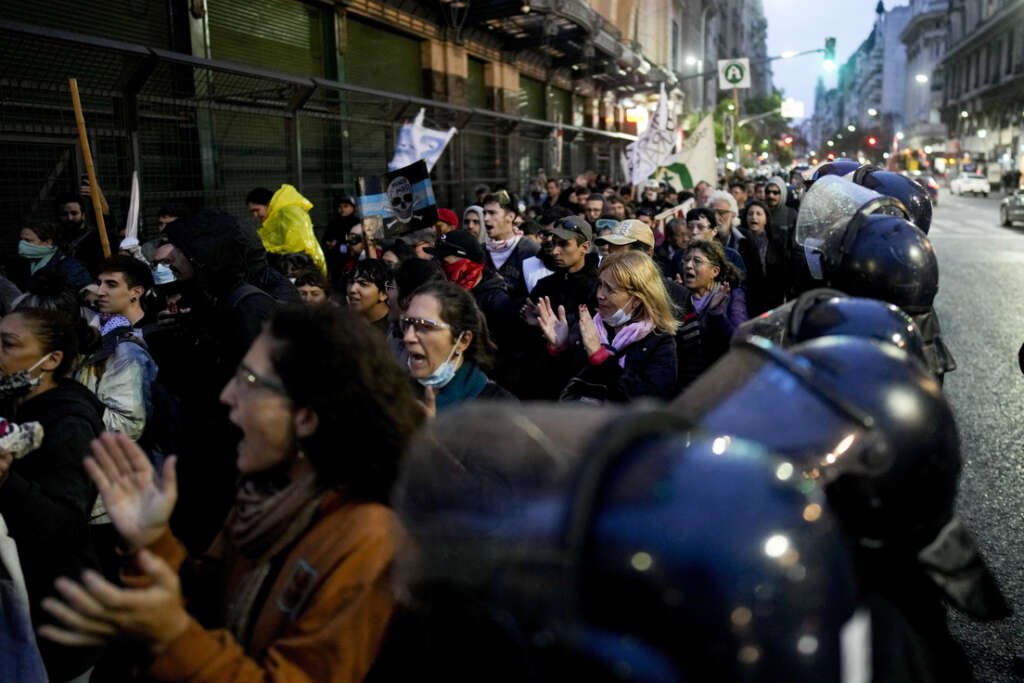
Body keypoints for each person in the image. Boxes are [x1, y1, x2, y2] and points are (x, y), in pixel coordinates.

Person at [40, 305, 425, 681]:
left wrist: (173, 638)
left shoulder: (369, 540)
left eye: (250, 382)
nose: (228, 395)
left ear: (306, 417)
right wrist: (152, 540)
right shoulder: (267, 494)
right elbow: (209, 598)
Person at [0, 307, 105, 682]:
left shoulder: (69, 422)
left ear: (52, 360)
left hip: (55, 619)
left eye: (7, 345)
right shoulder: (14, 404)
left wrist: (6, 481)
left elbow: (64, 526)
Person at [538, 250, 678, 402]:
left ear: (637, 299)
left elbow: (652, 400)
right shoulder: (586, 328)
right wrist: (559, 349)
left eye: (610, 289)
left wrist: (601, 358)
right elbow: (552, 390)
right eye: (600, 285)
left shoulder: (658, 341)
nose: (600, 295)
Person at [75, 255, 158, 441]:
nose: (101, 291)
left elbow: (131, 423)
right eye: (99, 283)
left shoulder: (155, 336)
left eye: (111, 284)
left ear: (136, 292)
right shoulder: (93, 329)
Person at [403, 281, 514, 413]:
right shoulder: (395, 392)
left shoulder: (500, 407)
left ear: (463, 340)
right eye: (406, 323)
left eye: (426, 326)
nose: (408, 337)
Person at [676, 238, 747, 391]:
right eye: (686, 260)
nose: (688, 265)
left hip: (720, 384)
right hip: (686, 387)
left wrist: (716, 313)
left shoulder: (731, 296)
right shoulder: (679, 298)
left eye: (697, 261)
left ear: (714, 271)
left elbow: (738, 340)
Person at [482, 191, 538, 300]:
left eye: (492, 213)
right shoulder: (480, 251)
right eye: (484, 213)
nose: (485, 218)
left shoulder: (530, 251)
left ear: (510, 216)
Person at [741, 199, 788, 317]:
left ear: (766, 218)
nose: (754, 217)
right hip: (750, 299)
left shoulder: (777, 240)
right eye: (750, 213)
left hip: (773, 298)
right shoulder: (741, 242)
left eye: (758, 214)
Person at [17, 222, 91, 292]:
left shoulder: (70, 267)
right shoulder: (24, 264)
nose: (22, 244)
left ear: (48, 242)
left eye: (27, 240)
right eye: (21, 240)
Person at [347, 260, 393, 334]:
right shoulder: (344, 323)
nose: (352, 289)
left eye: (363, 284)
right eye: (351, 282)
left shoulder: (396, 330)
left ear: (384, 293)